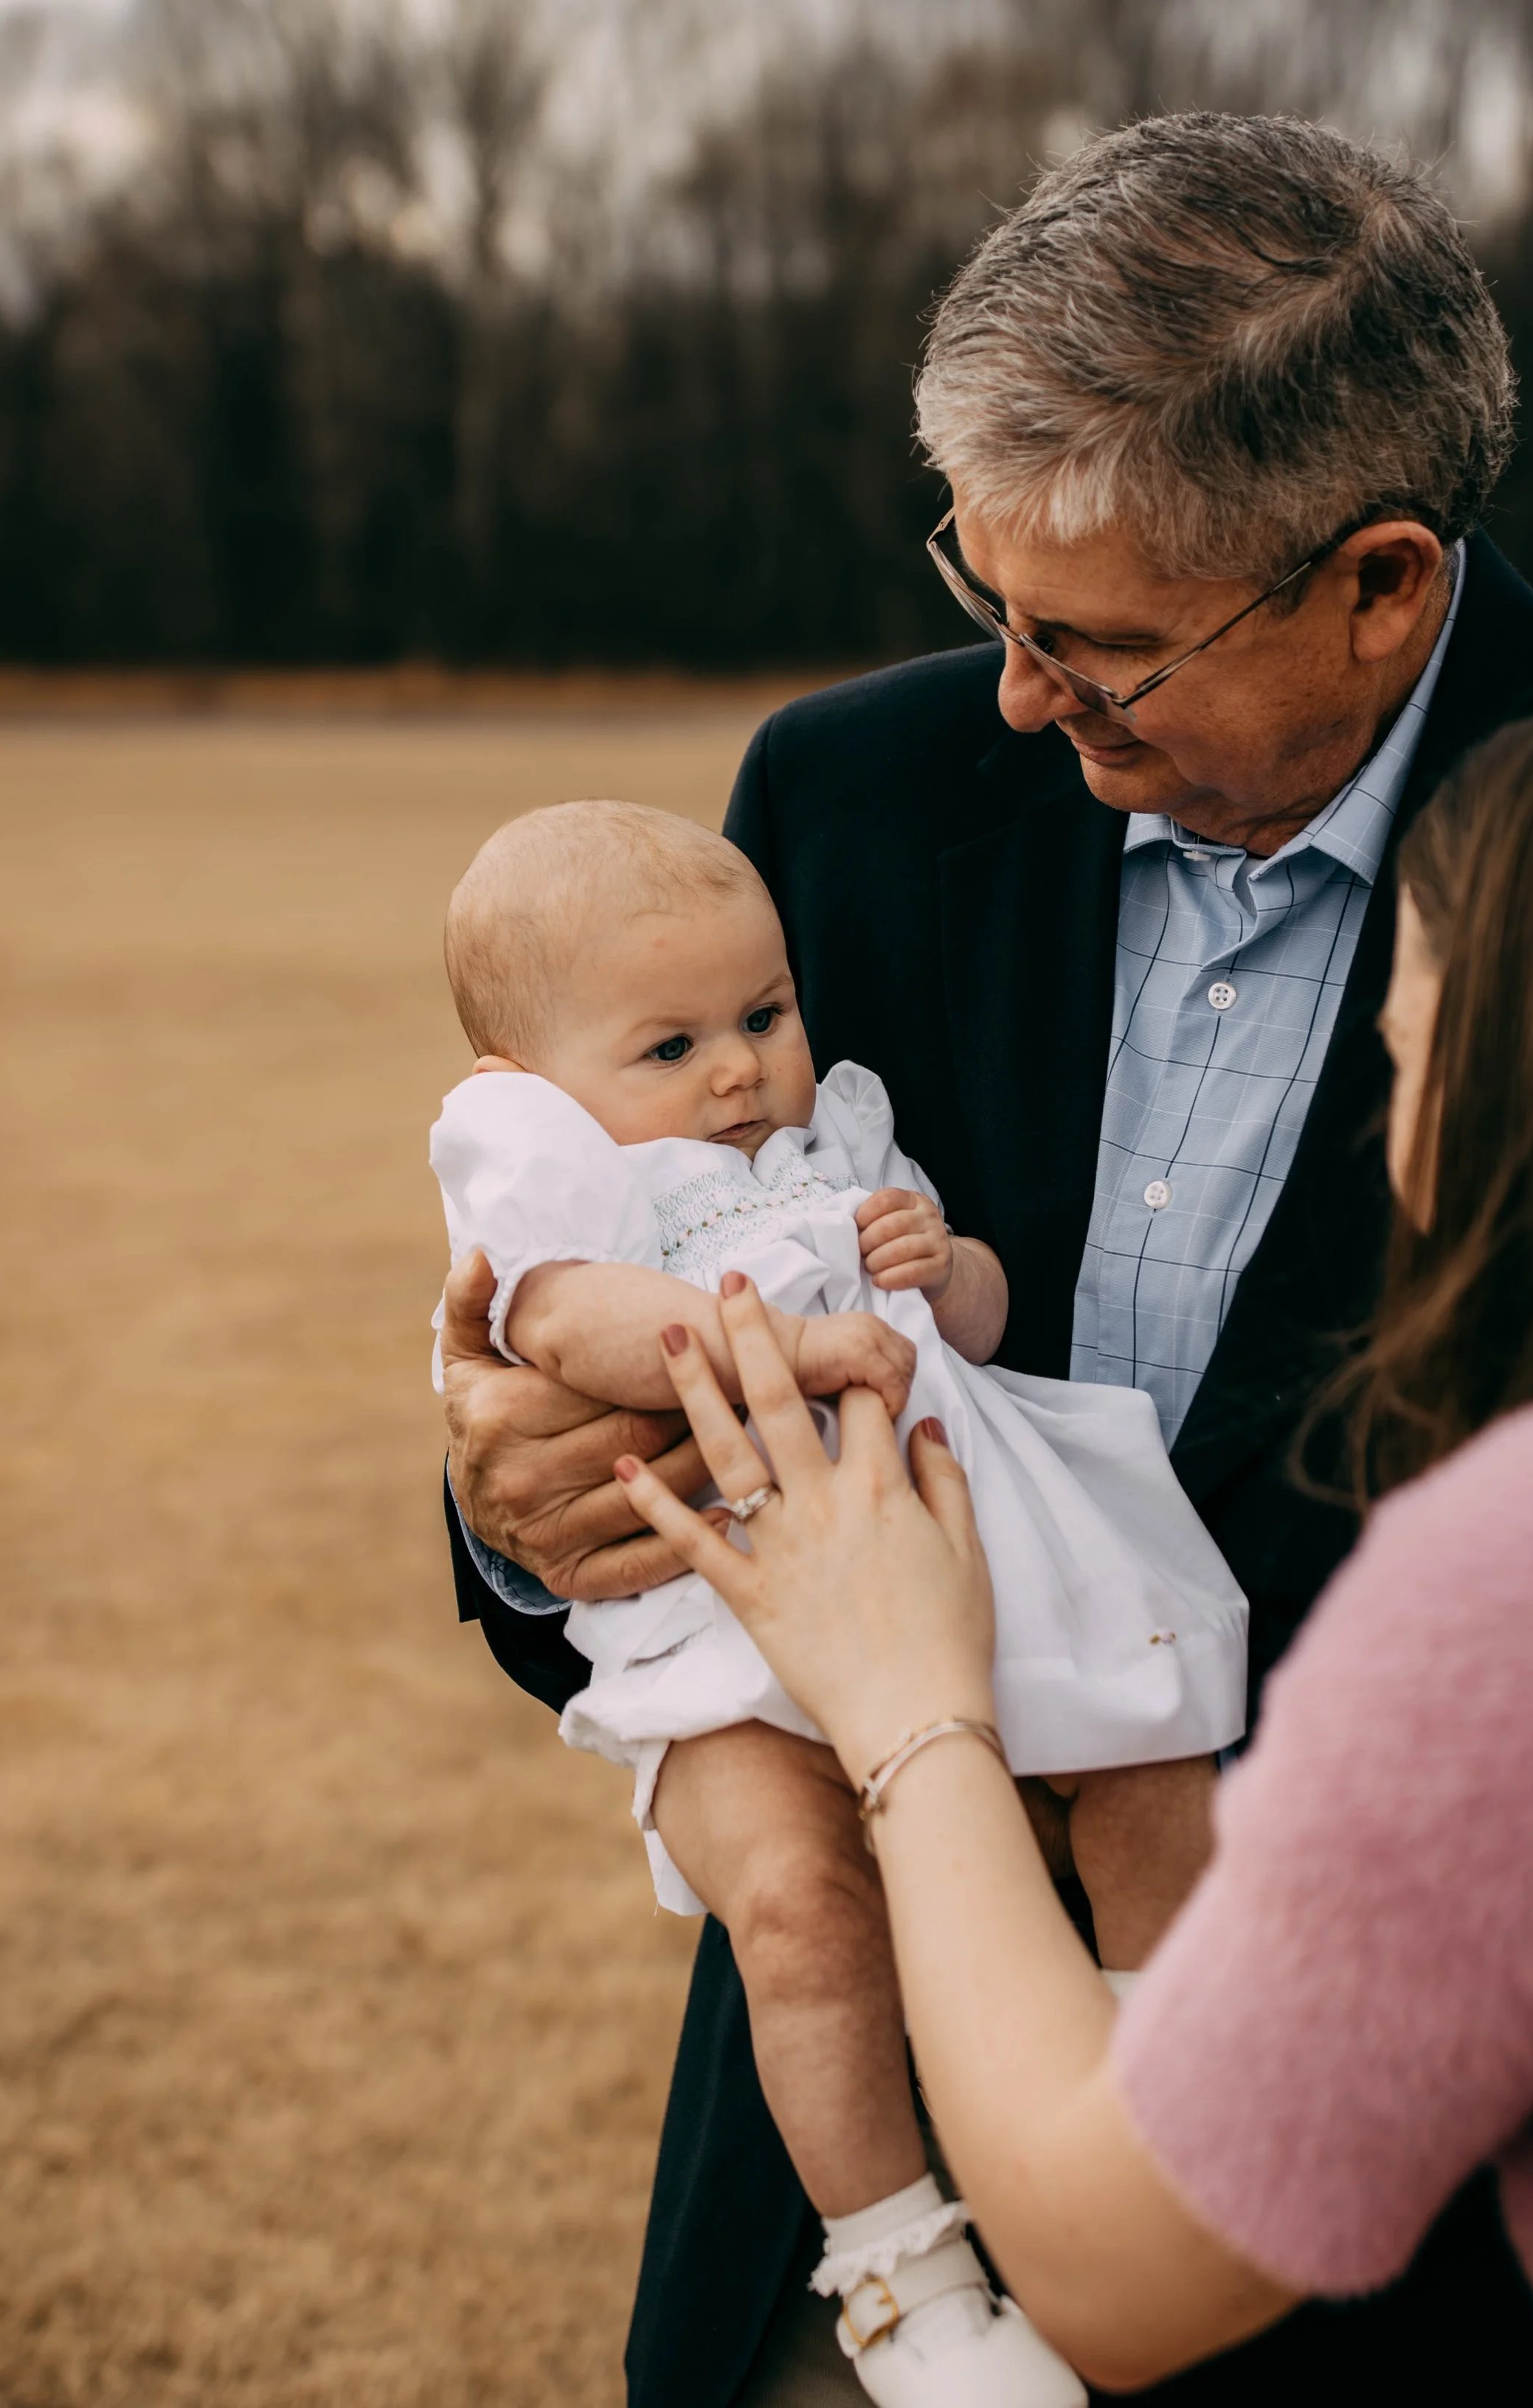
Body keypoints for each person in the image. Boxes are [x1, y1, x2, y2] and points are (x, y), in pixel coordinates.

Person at [437, 111, 1533, 2404]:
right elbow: (612, 1301)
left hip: (1425, 2181)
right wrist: (522, 1513)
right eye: (987, 602)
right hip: (867, 2079)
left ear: (1378, 578)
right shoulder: (841, 799)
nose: (1013, 694)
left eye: (1095, 648)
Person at [616, 653, 1533, 2408]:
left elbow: (1120, 2255)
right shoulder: (843, 800)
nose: (1386, 1030)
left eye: (1425, 984)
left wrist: (910, 1698)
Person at [429, 799, 1245, 2406]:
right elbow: (576, 1327)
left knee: (1154, 1768)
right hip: (729, 1627)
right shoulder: (555, 1183)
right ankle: (901, 2277)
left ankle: (1163, 2119)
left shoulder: (830, 1146)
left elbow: (990, 1325)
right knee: (802, 1913)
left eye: (761, 1017)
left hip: (953, 1561)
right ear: (529, 1088)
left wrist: (943, 1273)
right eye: (669, 1045)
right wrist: (788, 1349)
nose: (736, 1070)